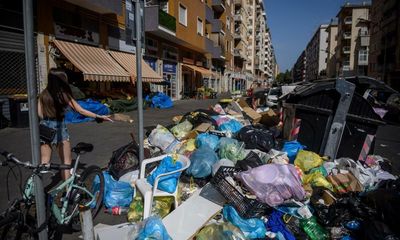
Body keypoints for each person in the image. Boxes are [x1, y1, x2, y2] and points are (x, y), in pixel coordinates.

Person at [38, 68, 112, 180]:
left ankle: (36, 191)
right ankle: (66, 192)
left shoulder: (43, 94)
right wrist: (98, 116)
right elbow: (81, 110)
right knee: (66, 163)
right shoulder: (64, 95)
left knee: (44, 162)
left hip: (45, 127)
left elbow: (40, 114)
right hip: (59, 127)